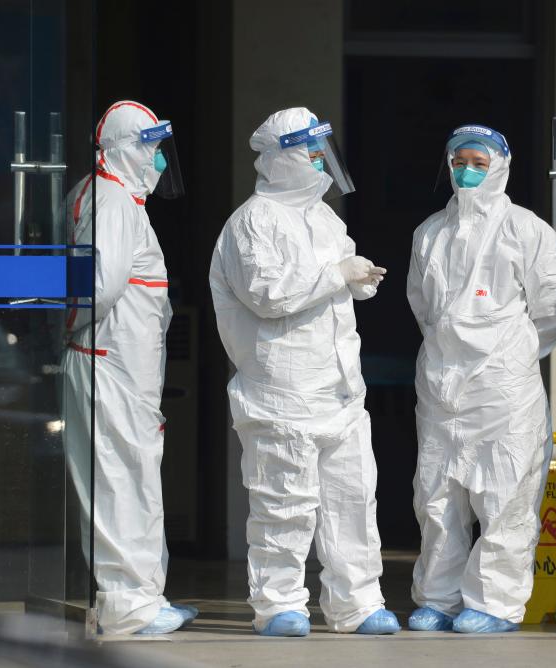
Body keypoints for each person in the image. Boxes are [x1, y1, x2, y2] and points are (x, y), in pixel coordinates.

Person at [210, 107, 399, 637]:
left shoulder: (323, 217)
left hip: (339, 390)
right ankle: (279, 605)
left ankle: (358, 605)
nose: (321, 162)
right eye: (311, 152)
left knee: (353, 503)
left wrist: (357, 279)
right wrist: (336, 274)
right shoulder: (253, 221)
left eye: (324, 151)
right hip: (281, 392)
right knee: (283, 503)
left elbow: (332, 278)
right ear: (282, 157)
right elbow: (270, 295)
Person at [407, 124, 556, 633]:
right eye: (459, 161)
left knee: (504, 495)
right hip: (441, 382)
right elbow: (423, 305)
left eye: (479, 161)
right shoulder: (430, 231)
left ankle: (494, 604)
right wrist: (449, 348)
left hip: (503, 385)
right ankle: (438, 597)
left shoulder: (528, 230)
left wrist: (513, 350)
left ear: (501, 165)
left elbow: (551, 306)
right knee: (436, 495)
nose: (468, 171)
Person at [63, 100, 195, 634]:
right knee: (116, 484)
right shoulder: (113, 200)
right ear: (123, 148)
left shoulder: (115, 198)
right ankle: (127, 606)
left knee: (134, 480)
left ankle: (143, 597)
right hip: (108, 365)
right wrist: (75, 337)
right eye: (152, 147)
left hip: (124, 370)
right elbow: (99, 289)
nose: (160, 159)